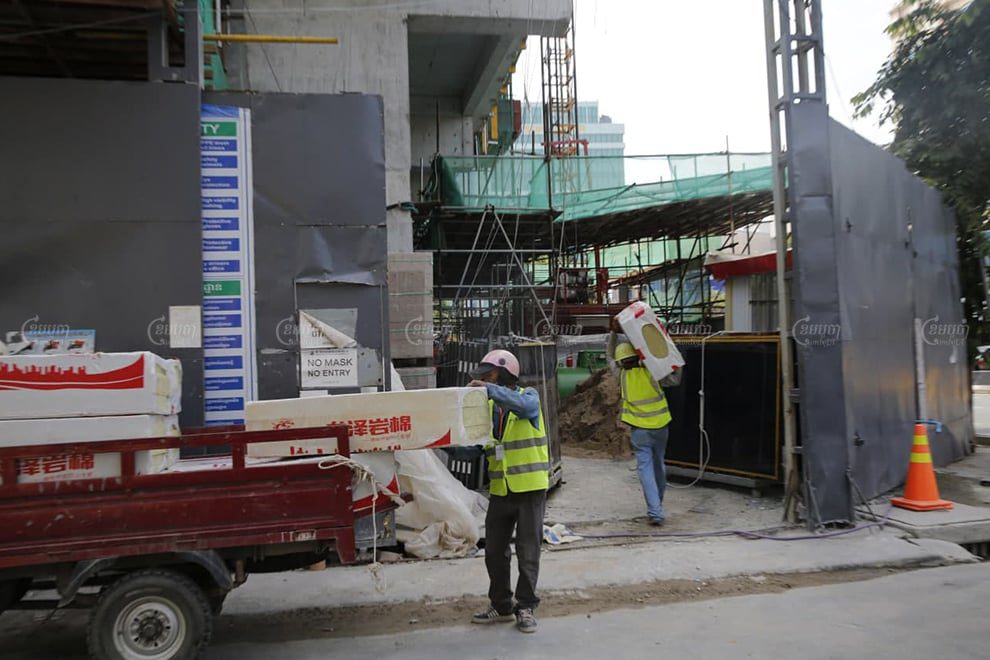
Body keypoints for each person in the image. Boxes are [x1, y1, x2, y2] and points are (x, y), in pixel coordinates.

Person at [467, 349, 549, 634]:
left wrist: (487, 389)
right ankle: (501, 604)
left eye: (488, 375)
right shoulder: (490, 409)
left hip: (529, 488)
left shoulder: (529, 397)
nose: (484, 380)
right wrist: (438, 441)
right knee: (493, 551)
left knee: (528, 551)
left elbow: (523, 407)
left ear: (504, 373)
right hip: (501, 489)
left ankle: (525, 606)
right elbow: (476, 448)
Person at [608, 318, 679, 526]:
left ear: (621, 361)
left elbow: (609, 355)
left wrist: (613, 334)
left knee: (645, 469)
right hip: (661, 427)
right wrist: (665, 341)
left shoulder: (621, 375)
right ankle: (658, 505)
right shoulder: (652, 371)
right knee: (659, 466)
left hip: (639, 431)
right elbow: (675, 374)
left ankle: (655, 511)